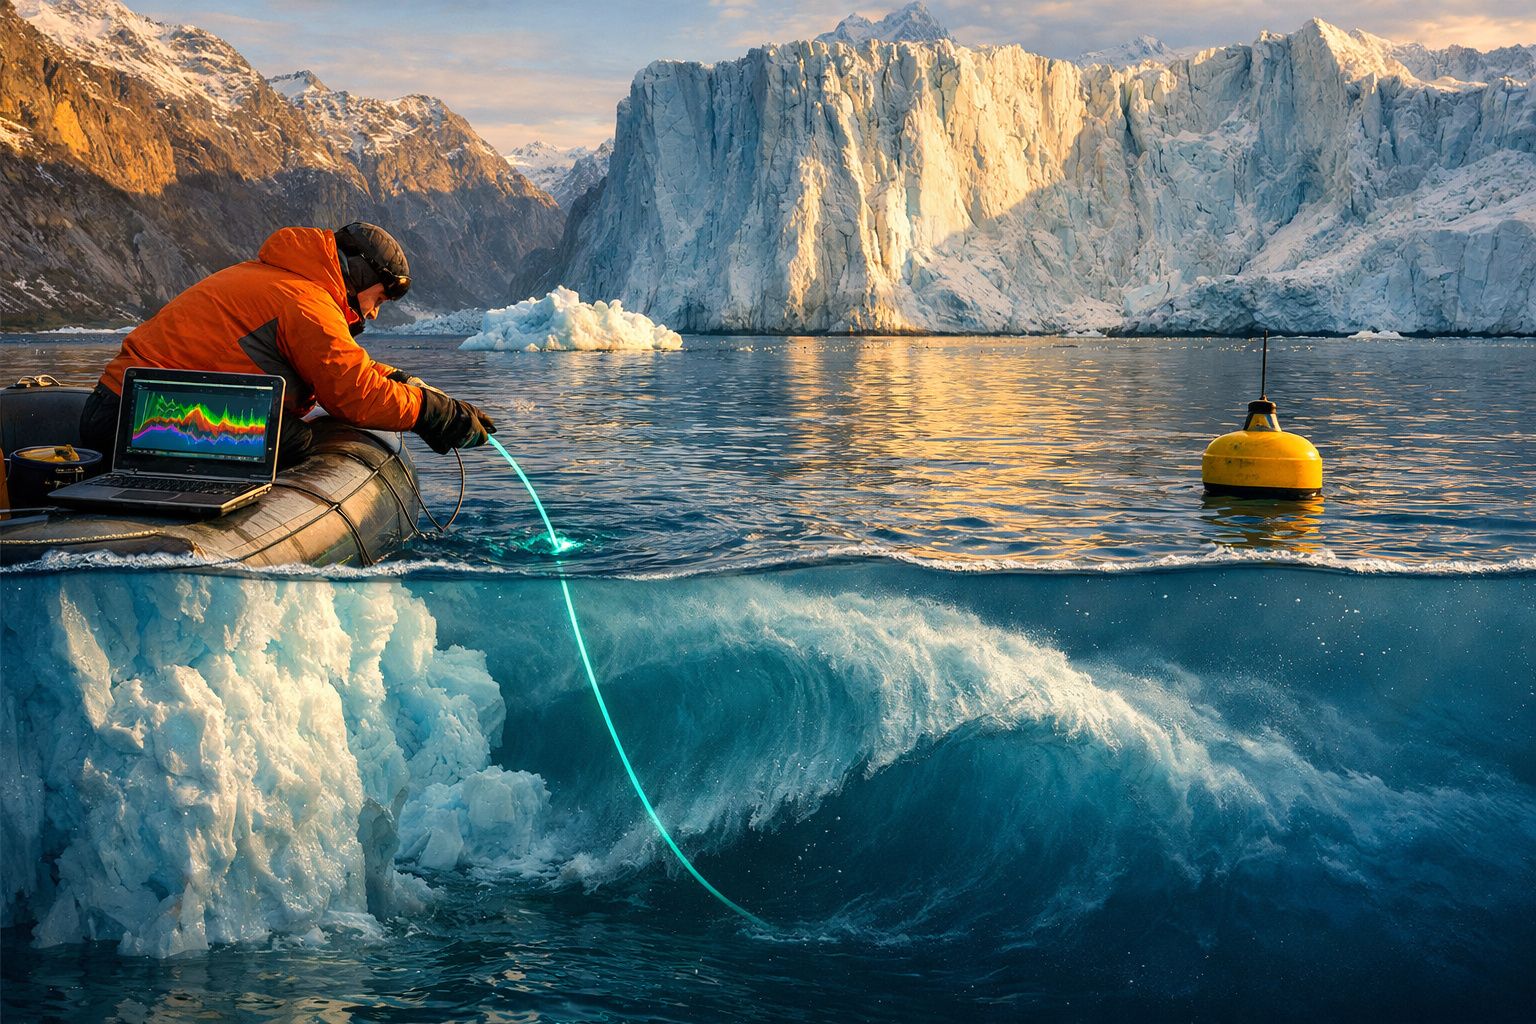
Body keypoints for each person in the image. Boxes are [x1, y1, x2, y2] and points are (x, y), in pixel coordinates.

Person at [79, 222, 495, 466]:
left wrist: (404, 382)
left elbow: (340, 365)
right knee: (293, 439)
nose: (373, 313)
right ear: (362, 276)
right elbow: (353, 395)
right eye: (379, 299)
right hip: (142, 419)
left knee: (288, 431)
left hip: (125, 407)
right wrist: (430, 412)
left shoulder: (289, 284)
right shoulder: (307, 303)